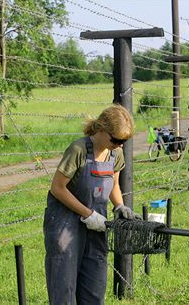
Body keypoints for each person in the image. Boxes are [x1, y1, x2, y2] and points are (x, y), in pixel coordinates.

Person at [44, 104, 138, 304]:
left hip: (97, 225)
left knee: (95, 285)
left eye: (124, 141)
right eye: (116, 140)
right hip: (65, 224)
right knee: (64, 287)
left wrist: (119, 205)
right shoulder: (78, 150)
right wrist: (88, 214)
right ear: (102, 130)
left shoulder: (115, 154)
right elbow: (57, 188)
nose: (120, 145)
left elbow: (113, 183)